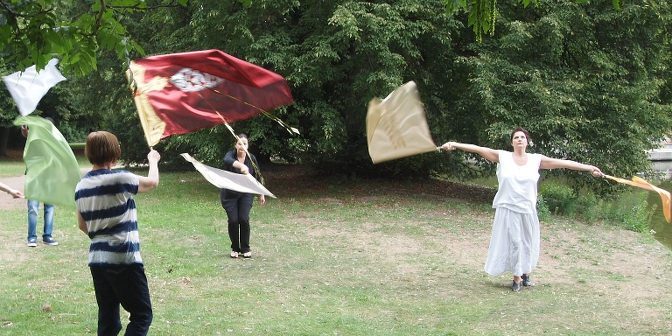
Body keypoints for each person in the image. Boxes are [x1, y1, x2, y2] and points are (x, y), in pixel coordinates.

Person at [441, 127, 603, 292]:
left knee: (526, 242)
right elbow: (478, 149)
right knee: (515, 242)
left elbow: (565, 164)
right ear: (512, 142)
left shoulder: (536, 160)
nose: (519, 139)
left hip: (527, 209)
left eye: (522, 137)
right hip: (508, 208)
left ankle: (525, 274)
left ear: (527, 142)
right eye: (516, 137)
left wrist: (589, 168)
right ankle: (517, 278)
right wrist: (454, 144)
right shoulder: (503, 156)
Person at [75, 131, 160, 335]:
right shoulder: (120, 178)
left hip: (97, 260)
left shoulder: (81, 185)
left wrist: (101, 234)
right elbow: (152, 183)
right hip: (124, 258)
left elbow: (82, 225)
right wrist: (153, 160)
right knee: (141, 315)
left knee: (108, 319)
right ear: (114, 152)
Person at [221, 134, 266, 259]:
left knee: (244, 219)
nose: (242, 146)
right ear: (236, 145)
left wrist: (261, 193)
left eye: (244, 144)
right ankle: (235, 248)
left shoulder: (251, 158)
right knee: (234, 220)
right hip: (230, 195)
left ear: (248, 145)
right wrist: (241, 166)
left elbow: (257, 175)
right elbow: (227, 161)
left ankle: (245, 248)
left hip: (246, 193)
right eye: (239, 143)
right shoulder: (230, 155)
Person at [21, 124, 57, 247]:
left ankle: (48, 236)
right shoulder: (34, 138)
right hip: (33, 177)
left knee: (49, 207)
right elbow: (26, 134)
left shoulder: (54, 141)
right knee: (33, 208)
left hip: (49, 178)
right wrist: (24, 129)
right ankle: (32, 238)